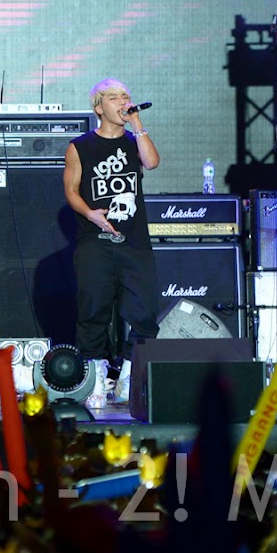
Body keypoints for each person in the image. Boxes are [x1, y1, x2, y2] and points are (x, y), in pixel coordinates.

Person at [63, 77, 162, 408]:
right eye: (114, 97)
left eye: (126, 96)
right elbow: (71, 191)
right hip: (95, 242)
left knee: (145, 310)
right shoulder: (80, 146)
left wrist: (137, 124)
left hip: (134, 240)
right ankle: (95, 376)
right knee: (93, 309)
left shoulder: (135, 141)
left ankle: (129, 375)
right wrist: (90, 213)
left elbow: (152, 162)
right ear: (98, 107)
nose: (123, 102)